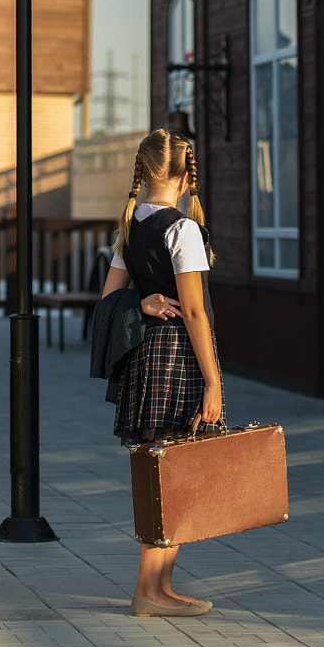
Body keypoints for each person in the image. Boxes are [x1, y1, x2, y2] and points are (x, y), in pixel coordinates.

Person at [101, 128, 223, 618]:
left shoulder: (130, 228)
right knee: (174, 478)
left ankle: (160, 588)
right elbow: (195, 314)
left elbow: (108, 303)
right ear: (184, 175)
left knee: (168, 474)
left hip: (145, 358)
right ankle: (148, 592)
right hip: (179, 360)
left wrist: (140, 302)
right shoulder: (183, 229)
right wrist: (213, 381)